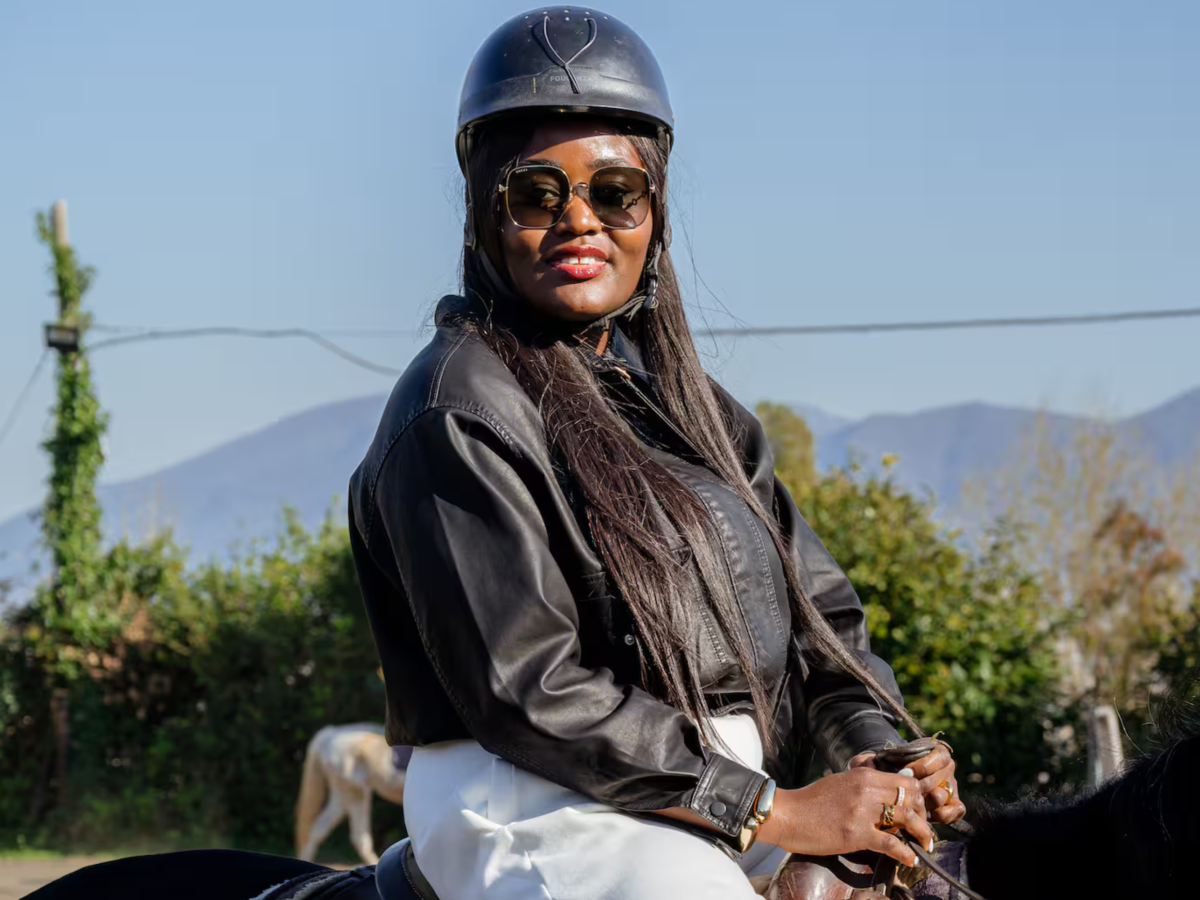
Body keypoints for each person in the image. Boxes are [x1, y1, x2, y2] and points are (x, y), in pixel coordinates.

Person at [346, 8, 965, 899]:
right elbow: (532, 690)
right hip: (535, 803)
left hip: (722, 799)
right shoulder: (456, 408)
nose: (579, 222)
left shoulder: (708, 420)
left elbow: (827, 633)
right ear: (487, 209)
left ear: (653, 211)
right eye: (536, 193)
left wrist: (877, 758)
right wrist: (772, 814)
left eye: (614, 191)